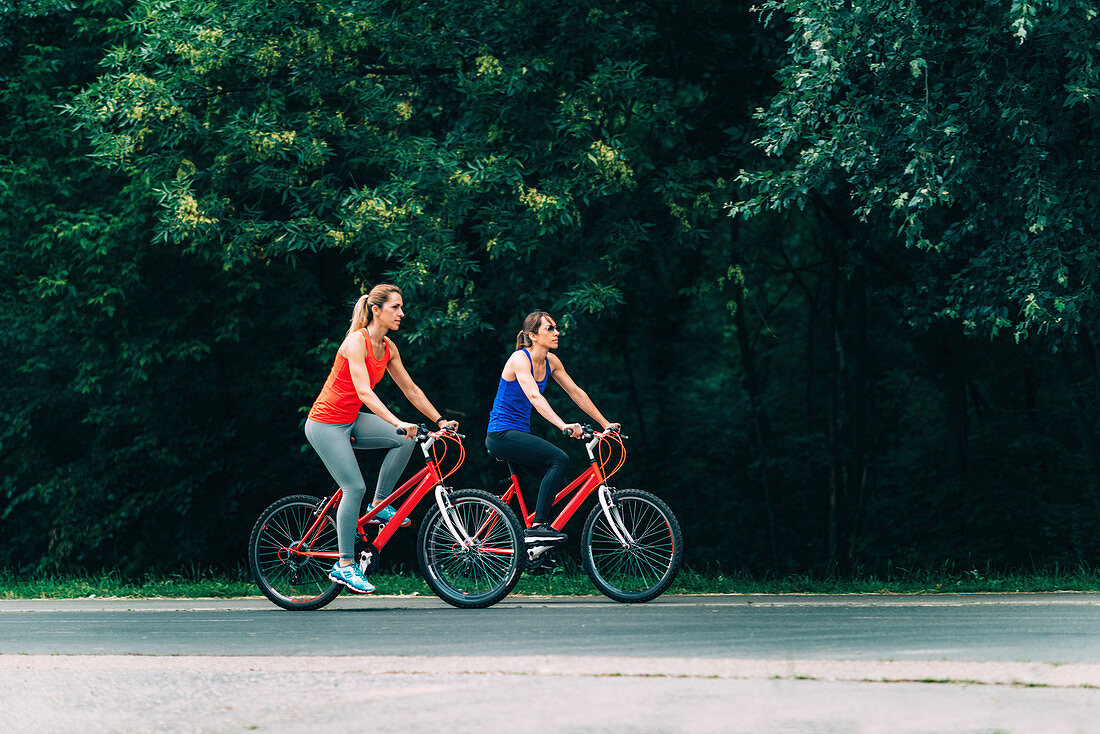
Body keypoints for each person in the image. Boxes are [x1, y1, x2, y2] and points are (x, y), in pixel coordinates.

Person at [305, 284, 457, 594]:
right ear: (377, 310)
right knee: (354, 486)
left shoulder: (387, 347)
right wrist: (399, 421)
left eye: (401, 307)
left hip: (351, 420)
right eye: (395, 307)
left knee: (404, 440)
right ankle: (345, 565)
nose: (402, 313)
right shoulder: (355, 342)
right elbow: (364, 392)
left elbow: (411, 390)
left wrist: (439, 420)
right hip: (325, 423)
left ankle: (380, 502)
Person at [485, 310, 619, 544]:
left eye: (556, 328)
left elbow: (576, 392)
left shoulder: (551, 361)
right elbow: (535, 397)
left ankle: (535, 549)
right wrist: (562, 425)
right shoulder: (519, 359)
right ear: (533, 335)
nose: (557, 332)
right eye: (550, 329)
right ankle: (538, 528)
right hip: (501, 434)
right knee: (560, 460)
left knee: (561, 487)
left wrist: (605, 423)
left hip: (518, 435)